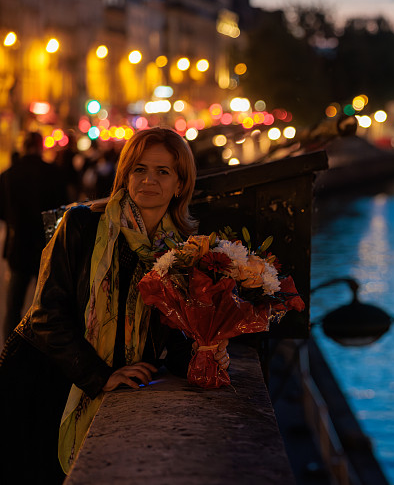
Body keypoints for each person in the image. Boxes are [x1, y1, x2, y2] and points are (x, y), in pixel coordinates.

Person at [0, 127, 230, 483]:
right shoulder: (82, 224)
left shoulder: (181, 252)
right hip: (45, 382)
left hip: (111, 387)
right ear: (125, 174)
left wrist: (207, 351)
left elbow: (171, 333)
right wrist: (101, 375)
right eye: (139, 169)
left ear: (180, 184)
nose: (148, 180)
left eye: (162, 172)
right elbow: (47, 314)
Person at [0, 132, 69, 342]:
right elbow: (63, 210)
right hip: (45, 246)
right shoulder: (52, 173)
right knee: (46, 305)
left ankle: (9, 347)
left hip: (18, 245)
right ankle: (40, 347)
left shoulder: (9, 175)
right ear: (40, 146)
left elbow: (2, 211)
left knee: (14, 303)